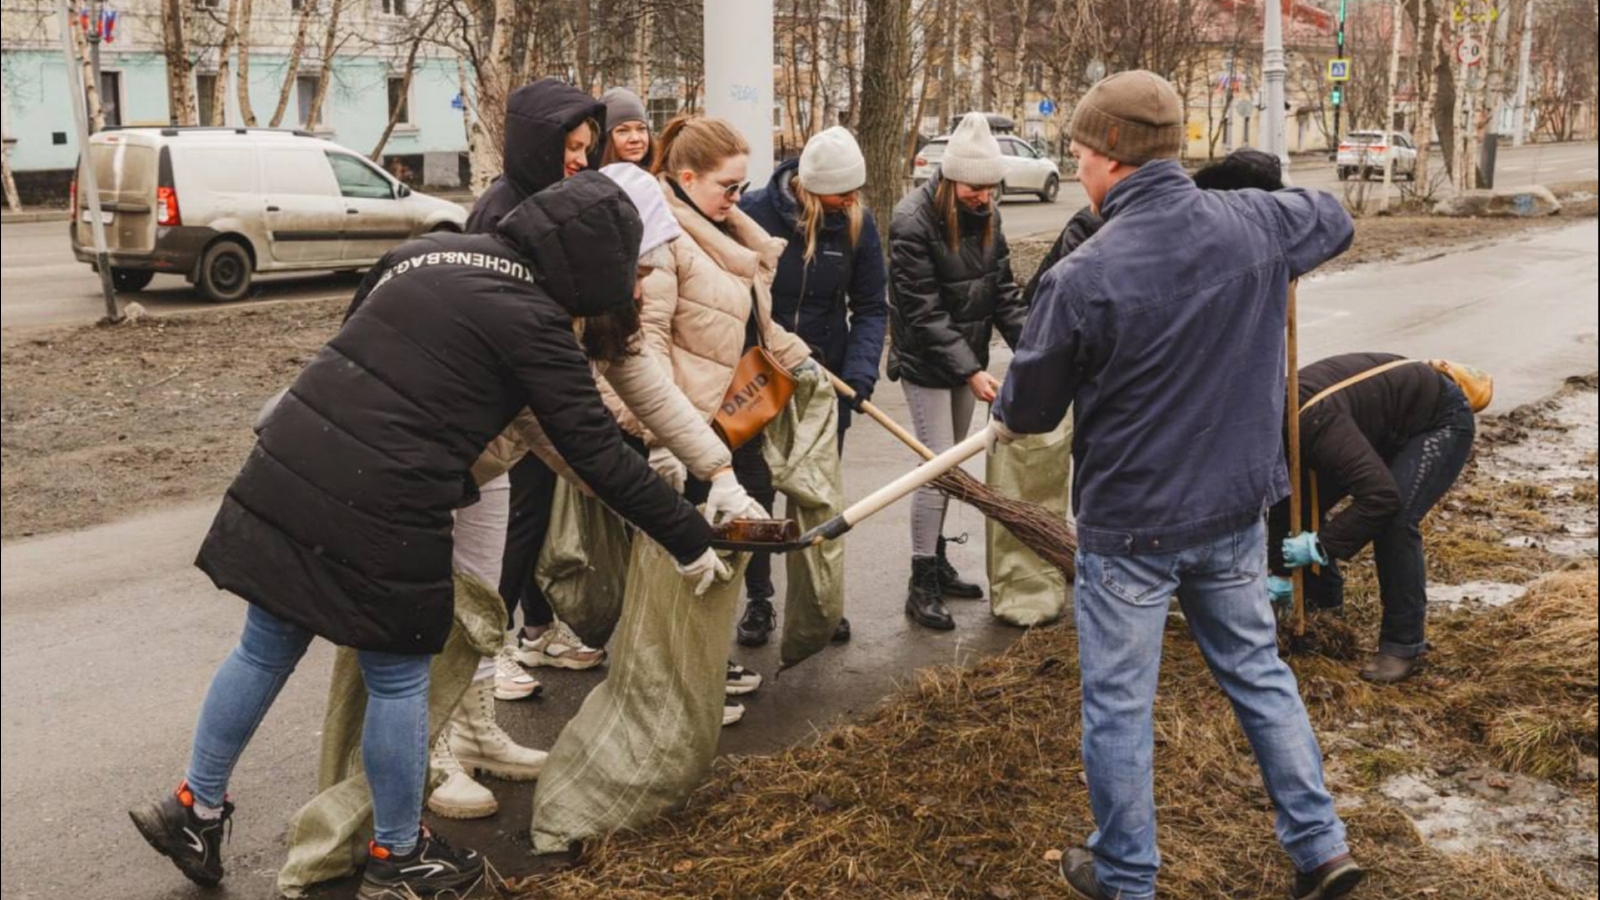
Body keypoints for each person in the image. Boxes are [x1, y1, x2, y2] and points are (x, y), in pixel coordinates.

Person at [130, 171, 729, 898]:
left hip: (289, 459)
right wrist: (689, 536)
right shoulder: (533, 319)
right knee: (398, 674)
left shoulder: (424, 255)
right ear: (596, 262)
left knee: (263, 647)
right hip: (385, 500)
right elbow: (594, 450)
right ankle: (399, 853)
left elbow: (359, 352)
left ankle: (193, 806)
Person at [990, 71, 1362, 900]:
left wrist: (1011, 415)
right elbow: (1332, 217)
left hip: (1133, 527)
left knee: (1120, 706)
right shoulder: (1253, 224)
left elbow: (1030, 405)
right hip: (1234, 507)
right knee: (1258, 674)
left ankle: (1125, 875)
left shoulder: (1083, 274)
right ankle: (1322, 847)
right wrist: (1255, 194)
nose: (1077, 166)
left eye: (1081, 152)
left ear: (1111, 159)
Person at [632, 114, 820, 724]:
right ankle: (681, 679)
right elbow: (649, 340)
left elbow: (747, 323)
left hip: (739, 414)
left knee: (739, 536)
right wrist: (663, 437)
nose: (738, 199)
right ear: (685, 177)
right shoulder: (661, 238)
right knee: (691, 552)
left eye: (743, 187)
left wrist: (794, 354)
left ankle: (706, 657)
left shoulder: (731, 232)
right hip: (689, 423)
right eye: (728, 187)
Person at [467, 77, 614, 675]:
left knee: (529, 517)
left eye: (586, 149)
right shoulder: (503, 213)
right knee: (511, 528)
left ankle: (534, 626)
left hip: (530, 396)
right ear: (536, 144)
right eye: (571, 148)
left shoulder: (550, 202)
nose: (581, 161)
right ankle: (494, 647)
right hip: (501, 409)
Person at [736, 125, 887, 647]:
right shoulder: (754, 213)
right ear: (810, 186)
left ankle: (818, 600)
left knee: (816, 494)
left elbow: (870, 307)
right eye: (841, 192)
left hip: (826, 378)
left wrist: (861, 372)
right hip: (760, 374)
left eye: (855, 192)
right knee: (757, 492)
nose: (851, 200)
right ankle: (759, 600)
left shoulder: (856, 225)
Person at [886, 111, 1028, 631]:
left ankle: (938, 562)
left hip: (967, 360)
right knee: (937, 471)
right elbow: (923, 312)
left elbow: (1006, 294)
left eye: (992, 187)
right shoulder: (911, 221)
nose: (984, 197)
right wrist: (971, 371)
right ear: (949, 178)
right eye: (975, 187)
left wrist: (1036, 351)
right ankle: (919, 582)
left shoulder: (990, 218)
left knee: (952, 473)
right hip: (926, 363)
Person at [1269, 353, 1486, 684]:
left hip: (1436, 419)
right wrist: (1281, 573)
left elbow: (1381, 498)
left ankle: (1403, 645)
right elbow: (1289, 503)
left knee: (1395, 520)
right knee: (1298, 503)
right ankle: (1323, 612)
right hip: (1371, 425)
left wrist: (1320, 546)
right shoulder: (1274, 427)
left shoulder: (1311, 422)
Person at [600, 87, 653, 167]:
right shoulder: (589, 178)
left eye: (641, 129)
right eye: (623, 131)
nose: (635, 139)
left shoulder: (662, 177)